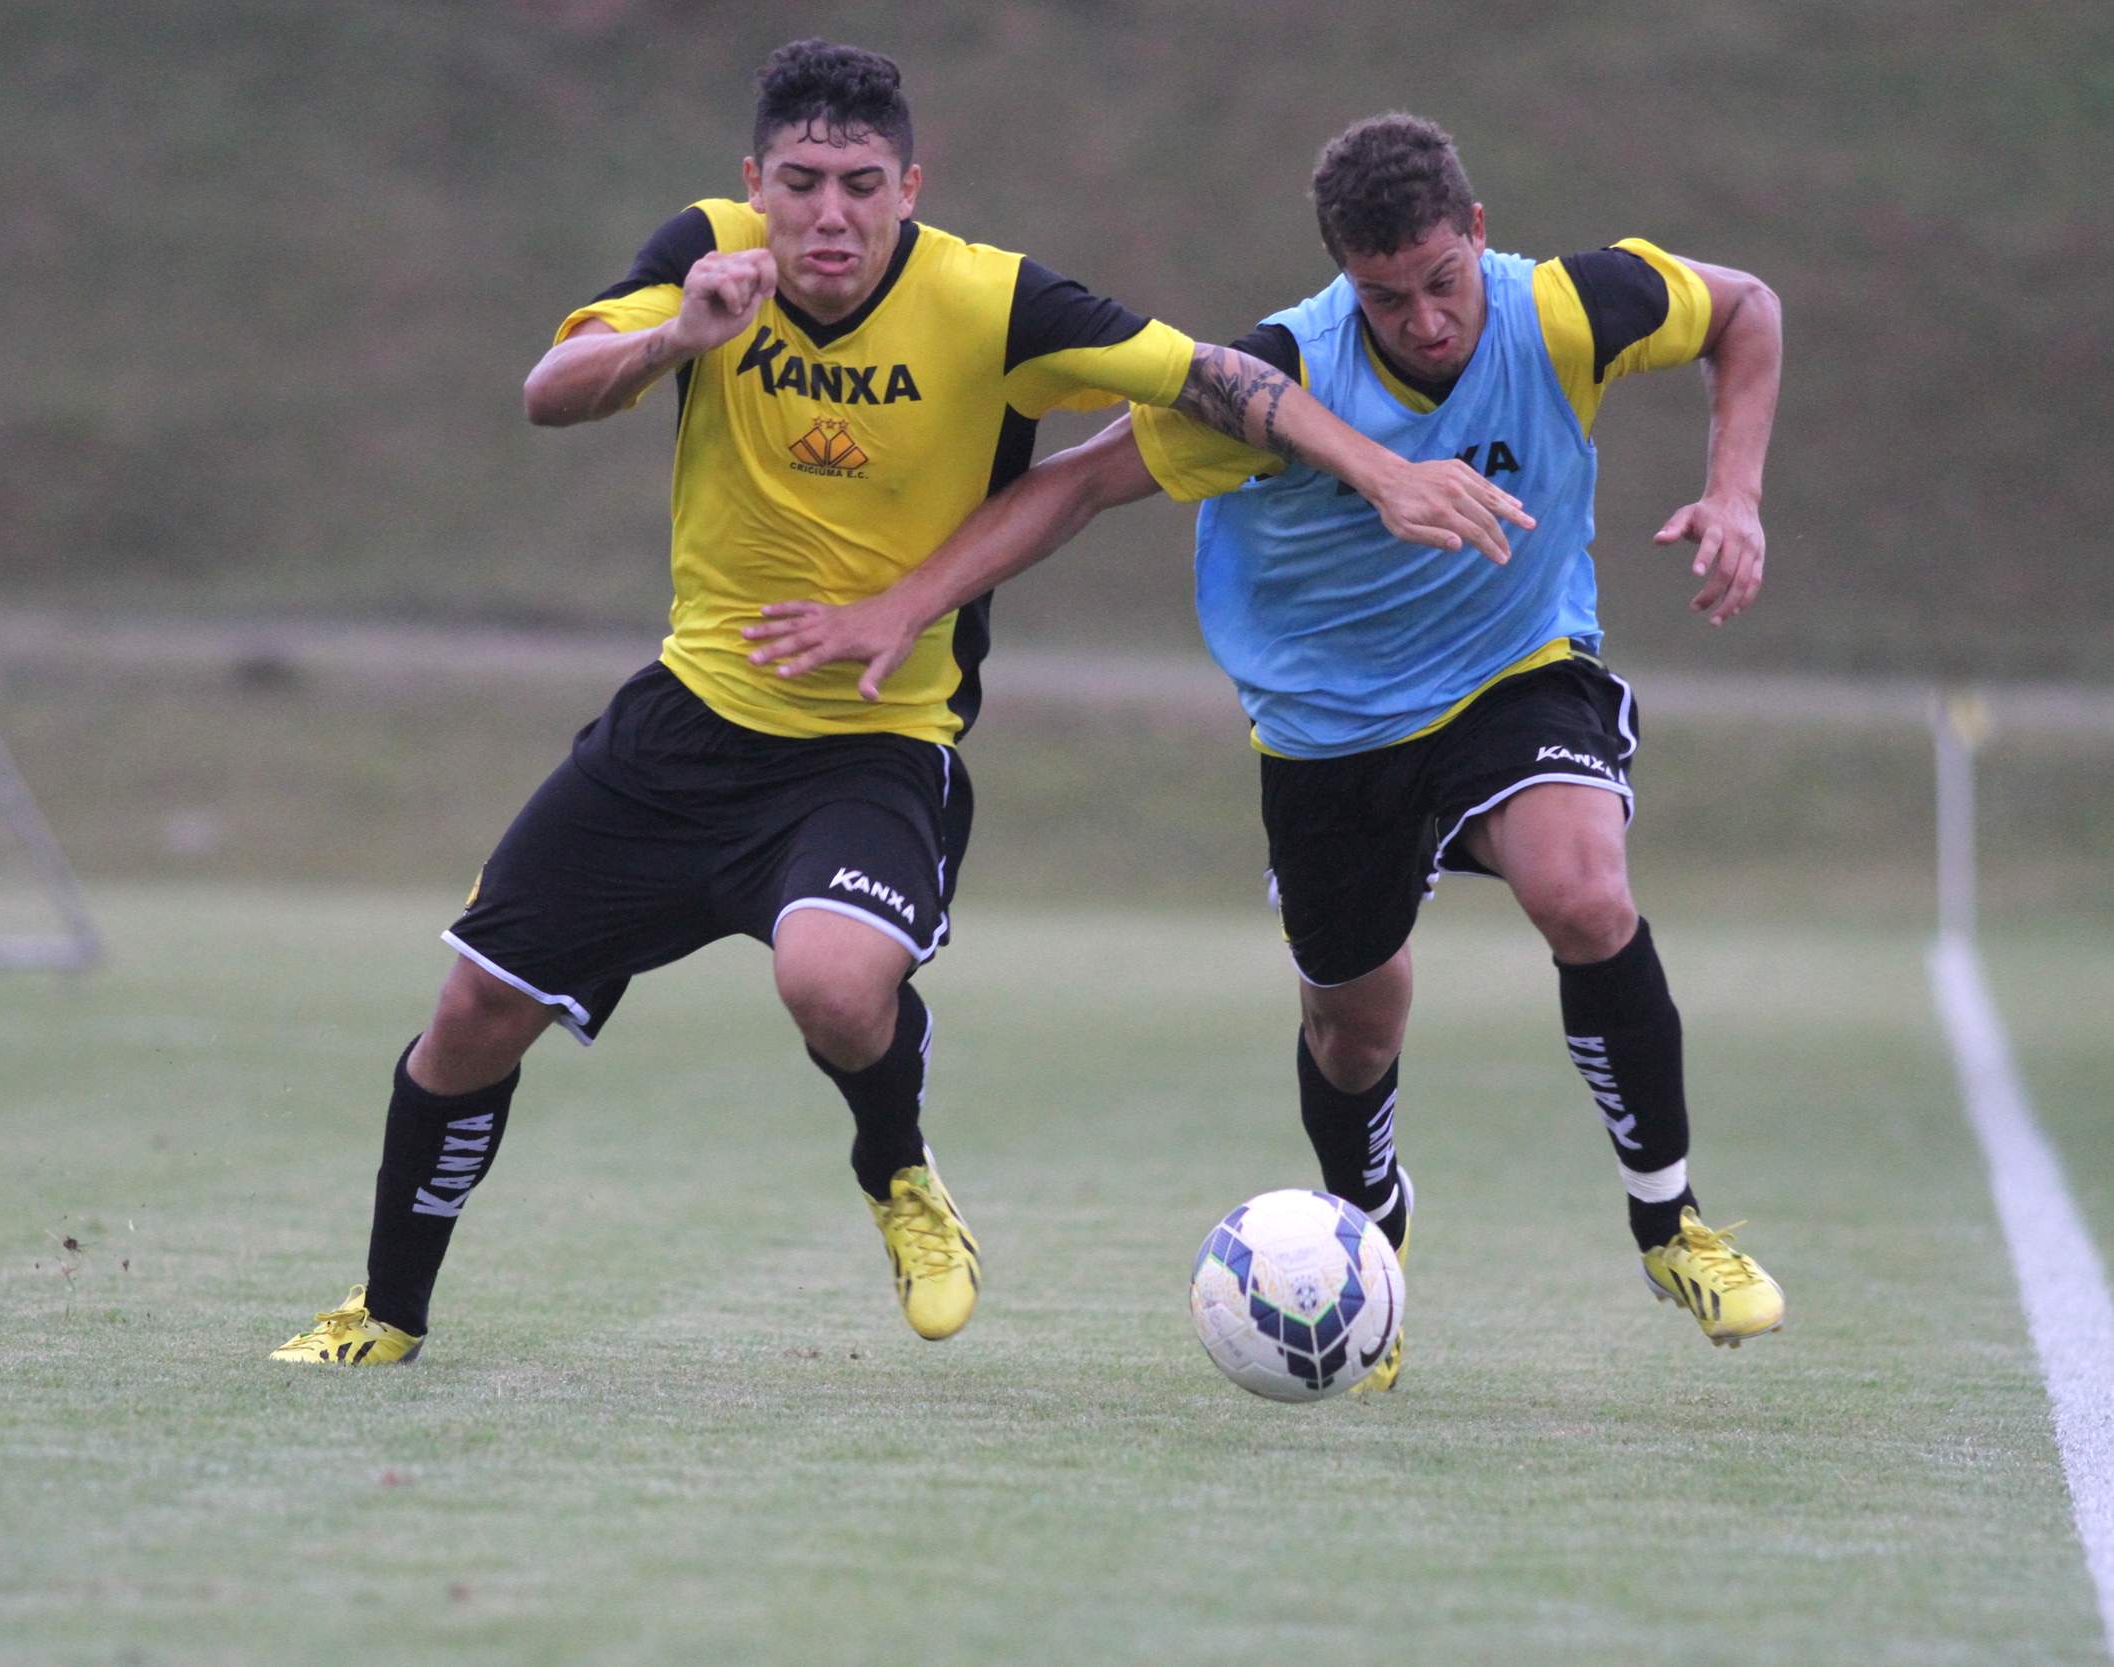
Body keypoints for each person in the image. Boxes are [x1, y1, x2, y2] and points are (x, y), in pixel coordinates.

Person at [271, 52, 1522, 1365]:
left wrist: (1385, 471)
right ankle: (388, 1312)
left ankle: (899, 1170)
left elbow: (1207, 377)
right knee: (473, 1010)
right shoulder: (707, 255)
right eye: (799, 184)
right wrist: (678, 338)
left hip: (874, 741)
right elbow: (551, 391)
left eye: (861, 186)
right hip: (687, 721)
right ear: (757, 183)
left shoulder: (991, 300)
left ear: (907, 189)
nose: (828, 215)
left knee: (832, 978)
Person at [745, 112, 1787, 1388]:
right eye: (1385, 297)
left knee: (1582, 886)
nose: (1424, 322)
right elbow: (1073, 484)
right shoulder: (1277, 382)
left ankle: (1669, 1219)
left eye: (1442, 283)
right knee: (1358, 1022)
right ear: (1346, 279)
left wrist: (1733, 490)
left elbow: (1746, 311)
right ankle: (1372, 1234)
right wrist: (907, 603)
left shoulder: (1570, 310)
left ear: (1476, 233)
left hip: (1512, 673)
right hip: (1327, 733)